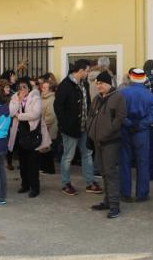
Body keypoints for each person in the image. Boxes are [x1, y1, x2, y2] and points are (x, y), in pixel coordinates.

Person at [54, 59, 102, 196]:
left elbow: (87, 104)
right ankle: (65, 183)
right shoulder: (65, 85)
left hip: (84, 127)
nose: (88, 74)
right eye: (87, 71)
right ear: (81, 71)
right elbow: (58, 107)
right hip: (70, 129)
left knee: (87, 154)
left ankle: (90, 182)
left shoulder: (84, 83)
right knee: (68, 156)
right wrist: (65, 124)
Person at [86, 71, 127, 218]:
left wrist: (108, 131)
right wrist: (91, 131)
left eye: (101, 83)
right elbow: (90, 115)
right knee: (103, 172)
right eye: (97, 83)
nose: (99, 86)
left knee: (110, 173)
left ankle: (115, 205)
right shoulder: (97, 99)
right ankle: (107, 201)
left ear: (109, 83)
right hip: (98, 140)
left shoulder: (118, 97)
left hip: (111, 141)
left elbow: (120, 118)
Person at [119, 68, 153, 202]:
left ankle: (125, 193)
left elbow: (119, 113)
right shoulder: (150, 95)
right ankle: (142, 194)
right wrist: (140, 125)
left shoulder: (122, 93)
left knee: (125, 162)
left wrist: (129, 123)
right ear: (144, 79)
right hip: (142, 132)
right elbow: (152, 115)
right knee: (143, 162)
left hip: (125, 130)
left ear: (130, 78)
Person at [8, 77, 51, 198]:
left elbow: (35, 114)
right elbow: (11, 113)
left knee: (33, 163)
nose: (22, 89)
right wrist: (18, 101)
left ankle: (35, 187)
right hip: (19, 133)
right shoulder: (15, 98)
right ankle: (25, 184)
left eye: (24, 87)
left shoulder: (35, 97)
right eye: (20, 87)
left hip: (32, 133)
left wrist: (20, 116)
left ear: (29, 87)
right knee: (22, 162)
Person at [39, 78, 58, 174]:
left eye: (45, 87)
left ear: (50, 89)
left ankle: (49, 169)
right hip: (43, 127)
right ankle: (44, 168)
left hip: (48, 128)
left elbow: (51, 116)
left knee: (47, 149)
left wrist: (43, 126)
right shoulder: (43, 97)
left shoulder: (51, 99)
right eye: (43, 87)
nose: (43, 89)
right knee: (44, 148)